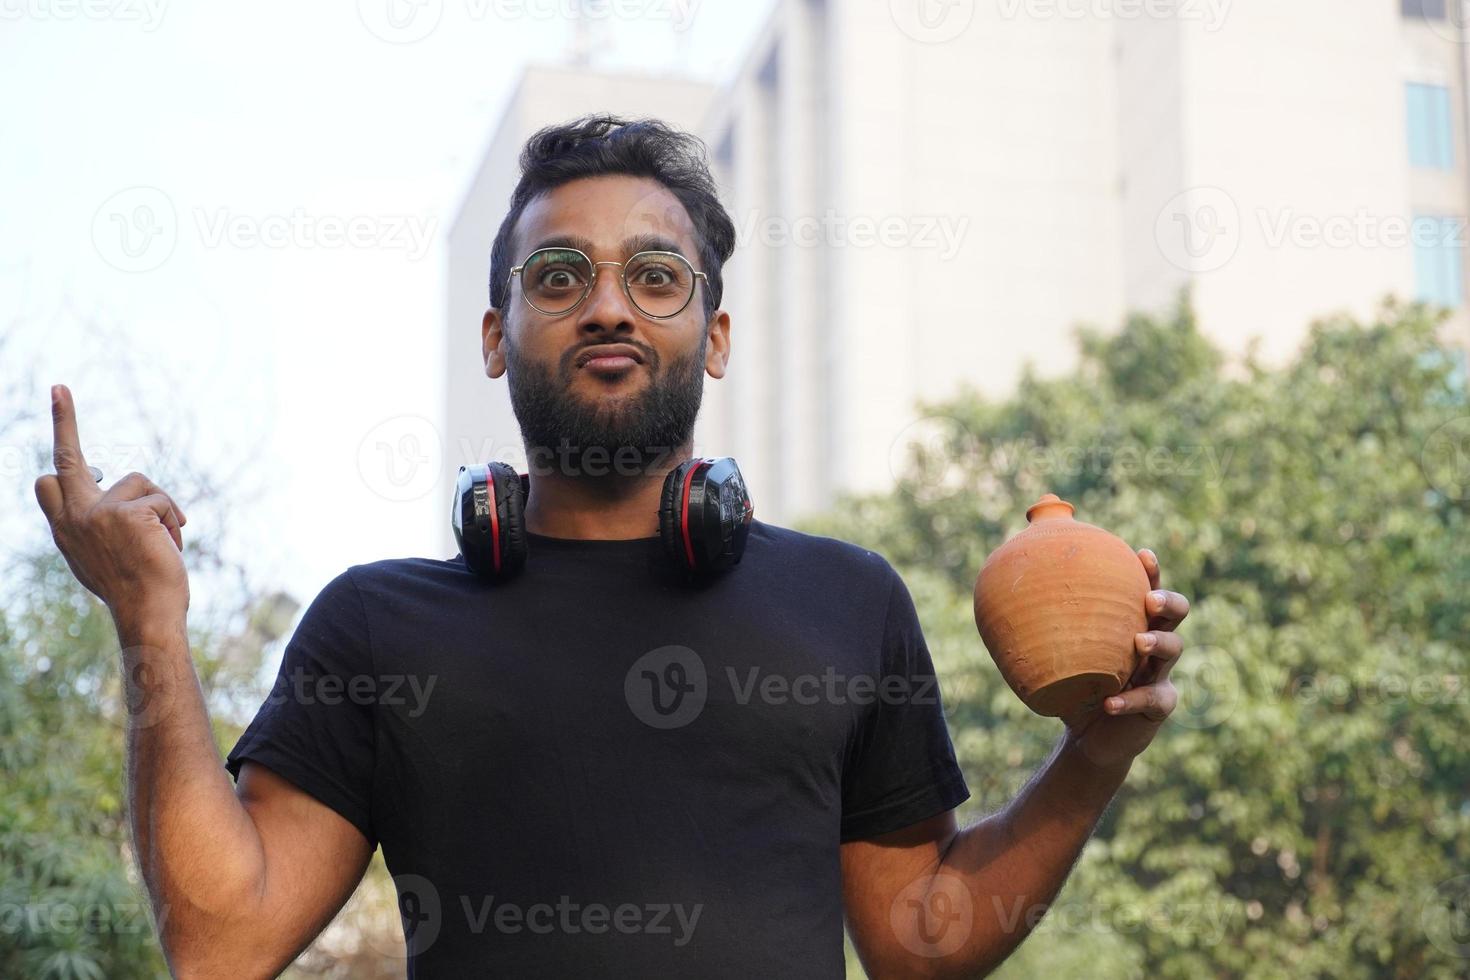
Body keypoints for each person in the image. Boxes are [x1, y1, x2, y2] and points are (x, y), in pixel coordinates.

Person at [34, 115, 1191, 978]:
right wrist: (149, 624)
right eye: (559, 276)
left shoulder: (849, 600)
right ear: (498, 335)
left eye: (654, 275)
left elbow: (923, 936)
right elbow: (220, 940)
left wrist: (1093, 753)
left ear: (714, 334)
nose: (607, 306)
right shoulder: (375, 627)